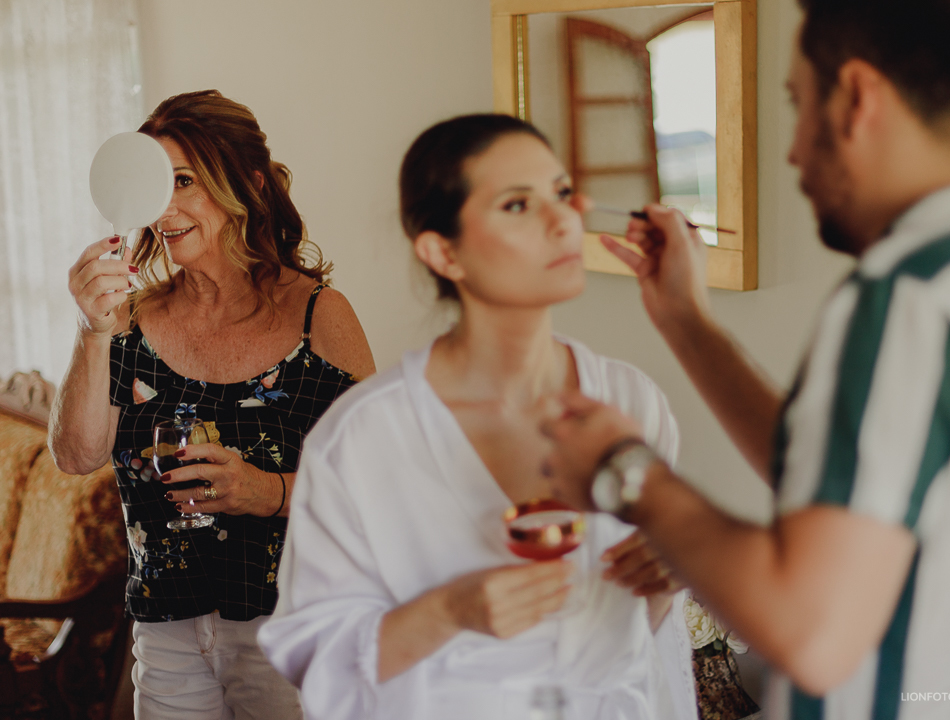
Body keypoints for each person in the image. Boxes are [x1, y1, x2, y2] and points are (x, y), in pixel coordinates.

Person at [541, 0, 950, 718]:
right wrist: (687, 324)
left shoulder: (909, 299)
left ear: (857, 97)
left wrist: (628, 472)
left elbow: (810, 633)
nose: (793, 151)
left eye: (798, 103)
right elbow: (857, 474)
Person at [257, 114, 697, 719]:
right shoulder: (362, 438)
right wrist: (449, 611)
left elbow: (642, 641)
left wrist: (667, 577)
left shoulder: (631, 402)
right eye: (518, 204)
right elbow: (320, 664)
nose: (563, 221)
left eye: (563, 193)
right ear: (444, 252)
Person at [49, 90, 376, 718]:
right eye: (157, 184)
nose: (164, 208)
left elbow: (377, 484)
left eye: (184, 181)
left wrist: (265, 491)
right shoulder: (129, 321)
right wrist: (91, 332)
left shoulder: (319, 317)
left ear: (248, 185)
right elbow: (76, 455)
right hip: (166, 630)